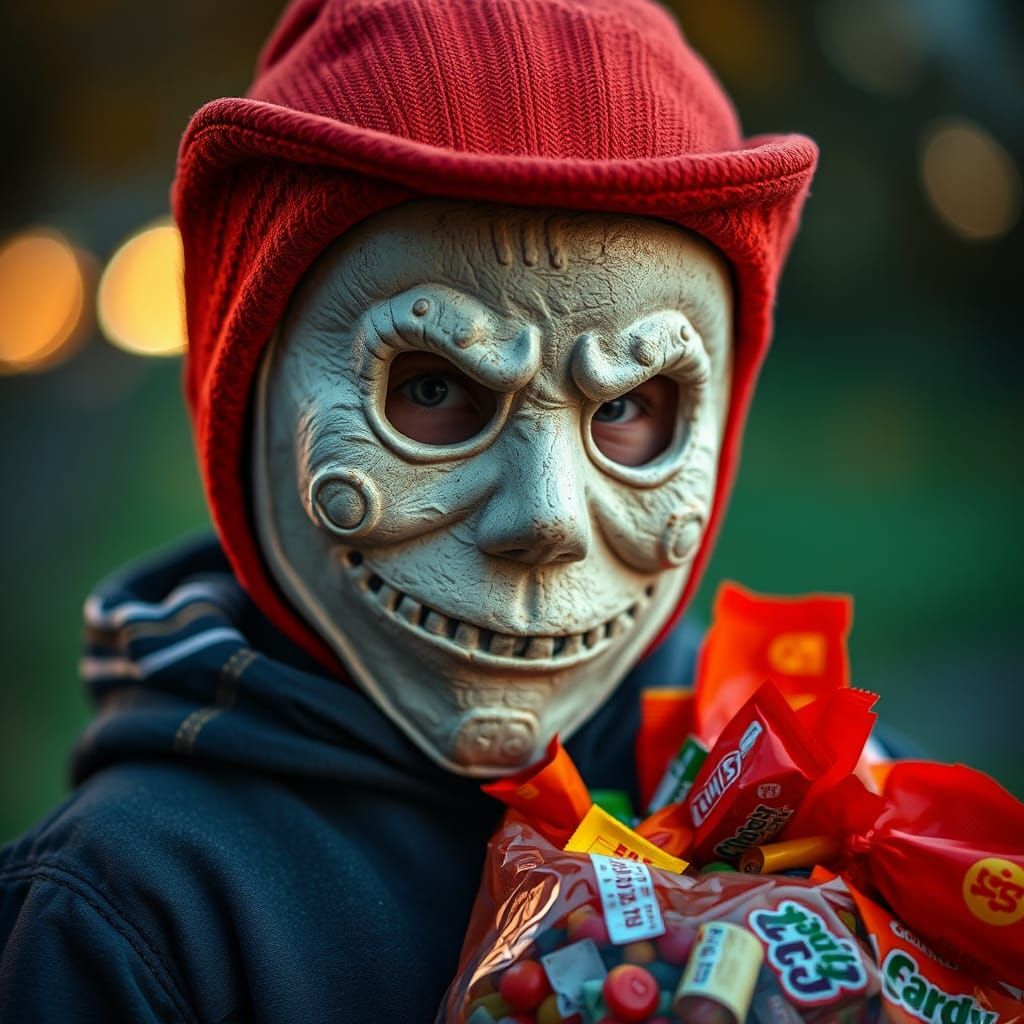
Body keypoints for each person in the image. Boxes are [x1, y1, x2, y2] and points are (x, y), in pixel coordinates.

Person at [0, 0, 824, 1018]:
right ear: (248, 395)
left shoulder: (793, 800)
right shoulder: (135, 915)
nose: (547, 519)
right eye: (432, 388)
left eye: (622, 407)